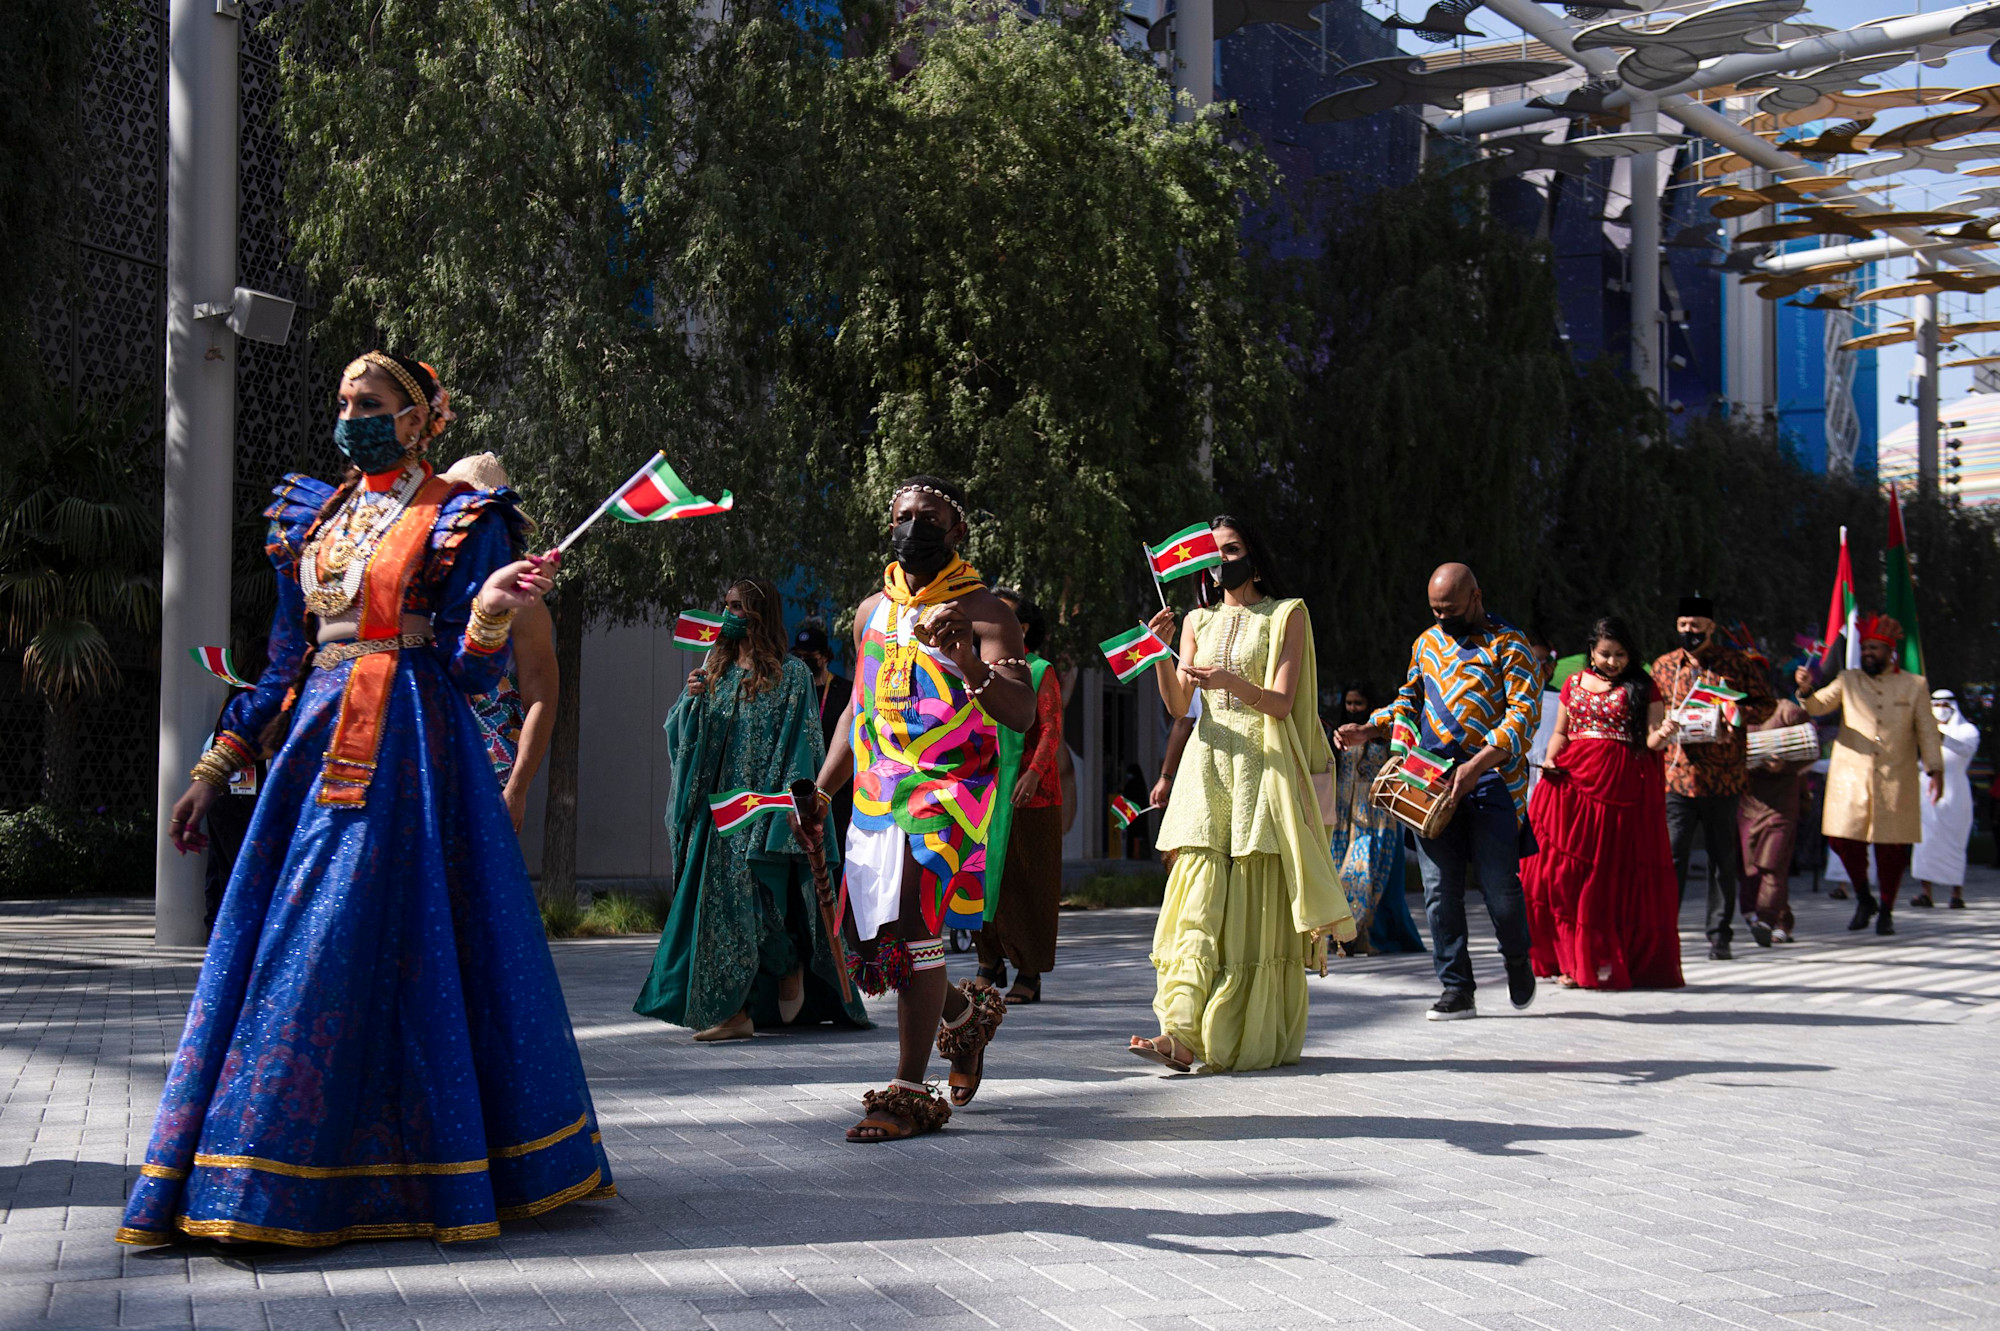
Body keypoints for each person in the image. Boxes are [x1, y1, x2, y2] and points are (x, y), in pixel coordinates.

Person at [126, 351, 611, 1249]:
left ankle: (290, 1179)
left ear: (424, 419)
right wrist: (211, 765)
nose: (352, 414)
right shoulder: (317, 513)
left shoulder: (465, 517)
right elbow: (283, 659)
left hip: (408, 752)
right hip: (314, 748)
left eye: (373, 402)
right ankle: (260, 1173)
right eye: (345, 399)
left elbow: (469, 670)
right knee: (299, 939)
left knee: (351, 938)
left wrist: (492, 606)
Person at [800, 476, 1035, 1139]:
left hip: (950, 794)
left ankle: (906, 1089)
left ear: (956, 532)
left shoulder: (987, 612)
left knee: (912, 919)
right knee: (882, 940)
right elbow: (857, 707)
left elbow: (1020, 709)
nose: (912, 527)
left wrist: (965, 658)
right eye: (902, 515)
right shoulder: (870, 610)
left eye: (927, 517)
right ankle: (965, 1016)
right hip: (877, 792)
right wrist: (823, 787)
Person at [1133, 516, 1352, 1073]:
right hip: (1206, 766)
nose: (1221, 560)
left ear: (1254, 555)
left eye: (1230, 549)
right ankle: (1179, 1032)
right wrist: (1162, 652)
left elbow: (1281, 703)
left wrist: (1230, 683)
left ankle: (1236, 1034)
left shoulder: (1287, 614)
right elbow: (1180, 706)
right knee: (1195, 902)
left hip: (1263, 766)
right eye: (1214, 552)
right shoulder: (1196, 620)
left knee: (1252, 908)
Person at [636, 577, 867, 1042]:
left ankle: (788, 966)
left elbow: (804, 745)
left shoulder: (792, 674)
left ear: (761, 612)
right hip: (718, 810)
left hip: (762, 809)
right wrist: (692, 704)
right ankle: (735, 1012)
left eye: (738, 606)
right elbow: (683, 737)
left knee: (763, 907)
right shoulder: (714, 673)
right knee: (720, 913)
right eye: (725, 605)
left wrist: (788, 810)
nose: (729, 614)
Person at [1339, 563, 1540, 1021]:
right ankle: (1456, 987)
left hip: (1491, 778)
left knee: (1499, 891)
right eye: (1434, 610)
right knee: (1437, 891)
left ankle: (1516, 958)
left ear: (1476, 597)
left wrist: (1474, 766)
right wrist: (1371, 728)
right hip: (1429, 778)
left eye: (1450, 609)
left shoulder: (1511, 644)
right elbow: (1410, 698)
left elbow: (1524, 714)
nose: (1441, 618)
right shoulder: (1426, 644)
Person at [1520, 617, 1682, 990]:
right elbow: (1561, 732)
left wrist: (1666, 732)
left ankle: (1587, 963)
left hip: (1617, 788)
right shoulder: (1573, 683)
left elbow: (1652, 742)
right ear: (1591, 650)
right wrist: (1550, 761)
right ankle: (1563, 956)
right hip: (1569, 784)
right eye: (1605, 654)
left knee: (1601, 877)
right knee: (1555, 874)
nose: (1612, 662)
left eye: (1620, 654)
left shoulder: (1644, 687)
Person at [1795, 614, 1945, 936]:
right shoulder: (1848, 679)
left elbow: (1928, 730)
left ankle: (1887, 910)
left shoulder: (1914, 684)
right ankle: (1864, 897)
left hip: (1896, 776)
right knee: (1841, 839)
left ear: (1890, 652)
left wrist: (1935, 769)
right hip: (1850, 777)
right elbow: (1818, 706)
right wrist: (1806, 690)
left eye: (1875, 648)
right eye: (1865, 648)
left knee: (1891, 848)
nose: (1868, 654)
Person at [1652, 595, 1776, 961]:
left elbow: (1765, 705)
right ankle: (1664, 932)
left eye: (1696, 626)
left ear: (1711, 628)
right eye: (1683, 625)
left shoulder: (1735, 664)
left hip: (1724, 778)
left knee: (1722, 858)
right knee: (1672, 857)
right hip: (1677, 777)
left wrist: (1732, 715)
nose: (1689, 632)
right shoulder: (1663, 666)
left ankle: (1720, 934)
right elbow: (1650, 711)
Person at [443, 454, 558, 832]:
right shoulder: (428, 579)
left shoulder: (523, 600)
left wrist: (517, 789)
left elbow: (542, 695)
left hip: (485, 775)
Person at [974, 588, 1072, 1005]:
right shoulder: (977, 672)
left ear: (1023, 627)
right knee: (983, 879)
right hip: (985, 797)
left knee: (1029, 883)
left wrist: (1032, 773)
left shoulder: (1038, 669)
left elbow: (1051, 727)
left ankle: (1028, 972)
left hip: (1031, 797)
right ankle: (987, 961)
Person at [1326, 682, 1424, 957]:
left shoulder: (1384, 734)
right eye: (1349, 703)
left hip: (1377, 815)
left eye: (1358, 703)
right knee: (1339, 873)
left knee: (1364, 872)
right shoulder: (1337, 734)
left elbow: (1400, 765)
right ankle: (1343, 936)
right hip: (1344, 815)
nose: (1353, 709)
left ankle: (1357, 935)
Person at [1738, 693, 1815, 945]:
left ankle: (1767, 920)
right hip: (1747, 802)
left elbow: (1810, 750)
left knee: (1773, 862)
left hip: (1781, 802)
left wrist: (1785, 767)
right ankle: (1782, 918)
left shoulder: (1788, 712)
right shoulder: (1732, 710)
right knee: (1750, 867)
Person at [1911, 690, 1980, 909]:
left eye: (1945, 703)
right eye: (1936, 703)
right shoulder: (1921, 733)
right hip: (1925, 790)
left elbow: (1964, 748)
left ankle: (1956, 894)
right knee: (1925, 842)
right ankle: (1925, 893)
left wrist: (1939, 736)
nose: (1940, 707)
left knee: (1955, 841)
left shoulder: (1967, 730)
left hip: (1955, 791)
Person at [791, 618, 853, 845]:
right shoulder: (793, 692)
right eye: (798, 656)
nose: (803, 661)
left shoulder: (845, 691)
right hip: (802, 785)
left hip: (838, 790)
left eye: (809, 657)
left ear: (825, 656)